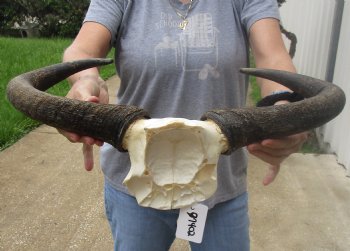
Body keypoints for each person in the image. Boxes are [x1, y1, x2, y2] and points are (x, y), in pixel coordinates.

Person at [60, 0, 307, 250]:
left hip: (218, 184)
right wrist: (85, 80)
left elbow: (273, 57)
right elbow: (81, 50)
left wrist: (283, 108)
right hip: (136, 184)